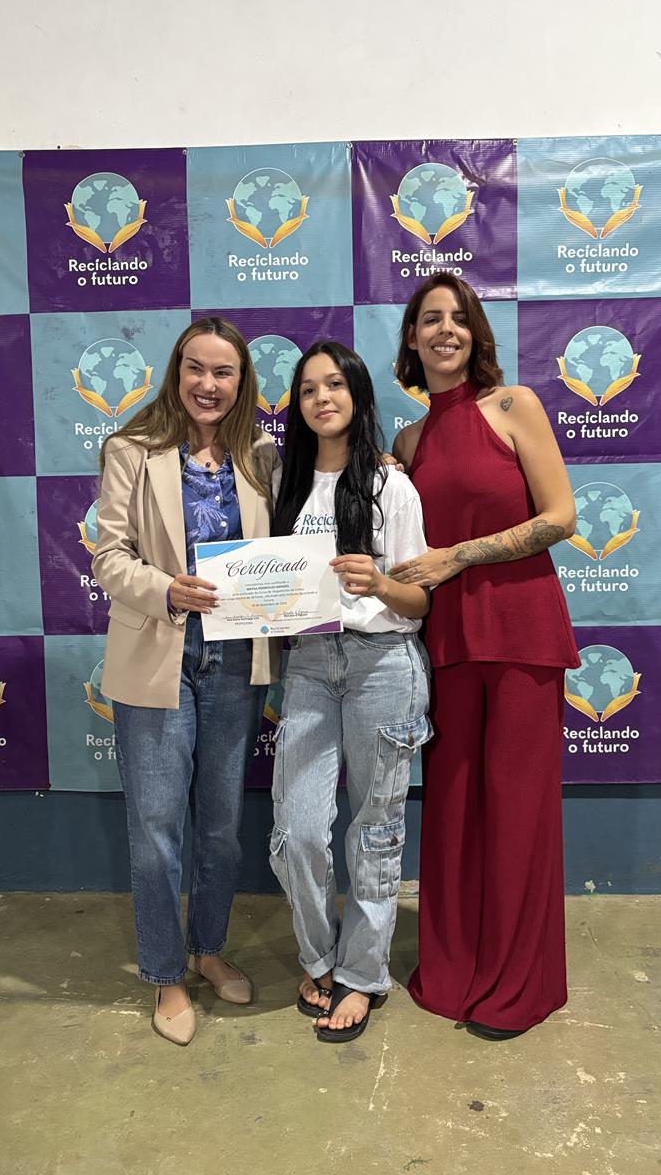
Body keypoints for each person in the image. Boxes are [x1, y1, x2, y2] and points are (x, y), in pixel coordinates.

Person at [390, 273, 579, 1041]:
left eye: (458, 318)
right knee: (454, 812)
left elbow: (561, 517)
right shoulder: (406, 443)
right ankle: (455, 968)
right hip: (447, 643)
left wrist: (459, 555)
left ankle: (519, 985)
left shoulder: (514, 406)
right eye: (430, 319)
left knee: (518, 811)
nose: (445, 329)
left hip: (523, 632)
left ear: (475, 335)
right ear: (411, 339)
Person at [92, 317, 280, 1046]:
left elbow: (283, 550)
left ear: (242, 382)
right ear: (176, 374)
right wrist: (166, 589)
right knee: (155, 832)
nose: (208, 383)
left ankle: (208, 948)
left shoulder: (260, 454)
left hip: (235, 661)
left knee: (221, 830)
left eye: (223, 372)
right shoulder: (131, 450)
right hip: (157, 655)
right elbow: (109, 557)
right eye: (195, 369)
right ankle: (165, 973)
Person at [269, 341, 431, 1043]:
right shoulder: (283, 480)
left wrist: (379, 582)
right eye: (308, 389)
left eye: (334, 384)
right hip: (308, 663)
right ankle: (318, 956)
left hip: (383, 663)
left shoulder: (392, 487)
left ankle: (362, 974)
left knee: (375, 829)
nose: (322, 398)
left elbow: (419, 600)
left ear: (358, 395)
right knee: (299, 830)